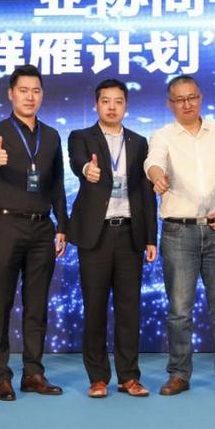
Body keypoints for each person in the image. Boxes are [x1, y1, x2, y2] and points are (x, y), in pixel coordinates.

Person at [144, 75, 215, 397]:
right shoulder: (162, 136)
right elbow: (153, 162)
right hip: (178, 232)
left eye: (192, 98)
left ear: (200, 98)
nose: (187, 104)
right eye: (179, 100)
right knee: (179, 310)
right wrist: (157, 177)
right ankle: (178, 373)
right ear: (170, 104)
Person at [0, 64, 68, 401]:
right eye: (23, 90)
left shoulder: (52, 136)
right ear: (11, 94)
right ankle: (1, 376)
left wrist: (63, 226)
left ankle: (33, 373)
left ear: (42, 95)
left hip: (43, 227)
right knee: (0, 301)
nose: (30, 97)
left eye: (36, 91)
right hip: (7, 225)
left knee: (36, 304)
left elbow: (57, 184)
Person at [67, 79, 158, 398]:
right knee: (94, 308)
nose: (111, 107)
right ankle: (98, 378)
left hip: (130, 234)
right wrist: (86, 170)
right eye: (105, 101)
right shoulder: (81, 137)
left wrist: (151, 237)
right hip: (97, 235)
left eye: (118, 101)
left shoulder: (139, 142)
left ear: (125, 106)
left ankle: (129, 377)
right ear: (96, 105)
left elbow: (146, 192)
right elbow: (77, 161)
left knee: (129, 309)